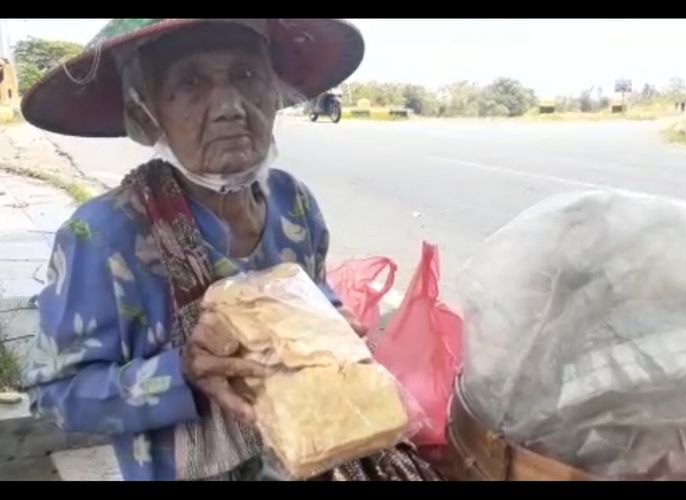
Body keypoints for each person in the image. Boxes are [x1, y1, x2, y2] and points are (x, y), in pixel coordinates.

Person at [21, 19, 440, 482]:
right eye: (191, 82)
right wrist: (182, 373)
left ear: (276, 91)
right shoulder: (103, 237)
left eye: (246, 76)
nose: (229, 107)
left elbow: (316, 295)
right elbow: (57, 396)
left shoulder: (294, 204)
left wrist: (335, 328)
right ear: (147, 110)